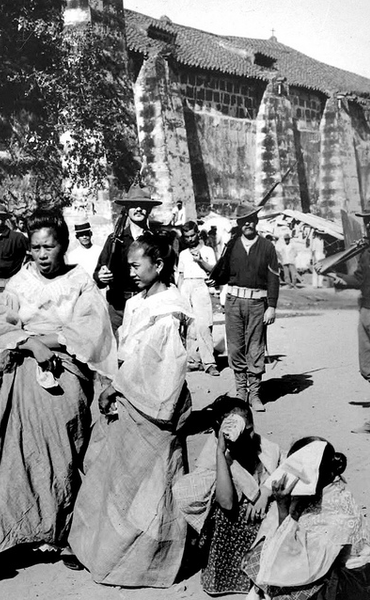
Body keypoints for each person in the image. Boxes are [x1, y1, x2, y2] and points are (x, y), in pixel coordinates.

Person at [0, 210, 117, 563]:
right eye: (36, 247)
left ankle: (67, 532)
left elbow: (90, 329)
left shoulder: (80, 280)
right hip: (24, 373)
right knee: (19, 450)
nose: (41, 254)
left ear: (62, 246)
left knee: (66, 448)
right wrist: (29, 344)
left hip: (66, 373)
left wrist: (45, 341)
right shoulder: (19, 283)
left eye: (48, 246)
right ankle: (23, 531)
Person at [69, 233, 193, 588]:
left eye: (138, 265)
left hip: (151, 400)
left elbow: (156, 364)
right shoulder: (139, 301)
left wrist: (116, 386)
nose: (133, 272)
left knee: (152, 484)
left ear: (159, 265)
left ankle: (147, 562)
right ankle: (108, 553)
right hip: (129, 394)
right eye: (130, 266)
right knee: (117, 478)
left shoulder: (169, 309)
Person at [173, 395, 281, 596]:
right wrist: (221, 453)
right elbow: (227, 502)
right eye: (242, 433)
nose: (248, 437)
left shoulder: (262, 446)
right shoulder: (213, 456)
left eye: (250, 430)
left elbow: (284, 471)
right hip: (231, 523)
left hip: (260, 516)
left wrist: (265, 492)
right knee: (225, 513)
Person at [242, 436, 370, 600]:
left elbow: (300, 558)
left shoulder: (337, 509)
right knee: (263, 550)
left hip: (337, 574)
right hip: (311, 557)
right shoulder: (319, 487)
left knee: (287, 590)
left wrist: (283, 508)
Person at [212, 204, 279, 412]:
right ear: (239, 224)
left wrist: (272, 306)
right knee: (235, 346)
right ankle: (241, 392)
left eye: (250, 219)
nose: (247, 223)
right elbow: (221, 271)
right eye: (243, 221)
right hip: (233, 301)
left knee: (255, 347)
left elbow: (273, 278)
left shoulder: (267, 247)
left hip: (258, 304)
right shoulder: (231, 245)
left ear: (256, 221)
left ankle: (255, 394)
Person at [94, 185, 162, 332]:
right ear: (127, 209)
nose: (138, 209)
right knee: (116, 351)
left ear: (149, 210)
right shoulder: (114, 240)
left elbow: (165, 276)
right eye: (134, 206)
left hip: (147, 305)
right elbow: (99, 273)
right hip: (119, 308)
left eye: (143, 206)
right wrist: (101, 276)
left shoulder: (156, 241)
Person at [331, 210, 370, 433]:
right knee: (367, 367)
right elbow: (359, 279)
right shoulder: (366, 253)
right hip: (365, 312)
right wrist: (341, 279)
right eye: (368, 221)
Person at [178, 221, 219, 376]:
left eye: (192, 235)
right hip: (186, 286)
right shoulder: (183, 254)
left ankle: (209, 362)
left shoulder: (208, 250)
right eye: (186, 236)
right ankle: (193, 360)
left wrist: (201, 261)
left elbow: (214, 271)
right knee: (188, 325)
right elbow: (181, 275)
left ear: (198, 233)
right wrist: (179, 296)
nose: (190, 239)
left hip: (201, 286)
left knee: (204, 324)